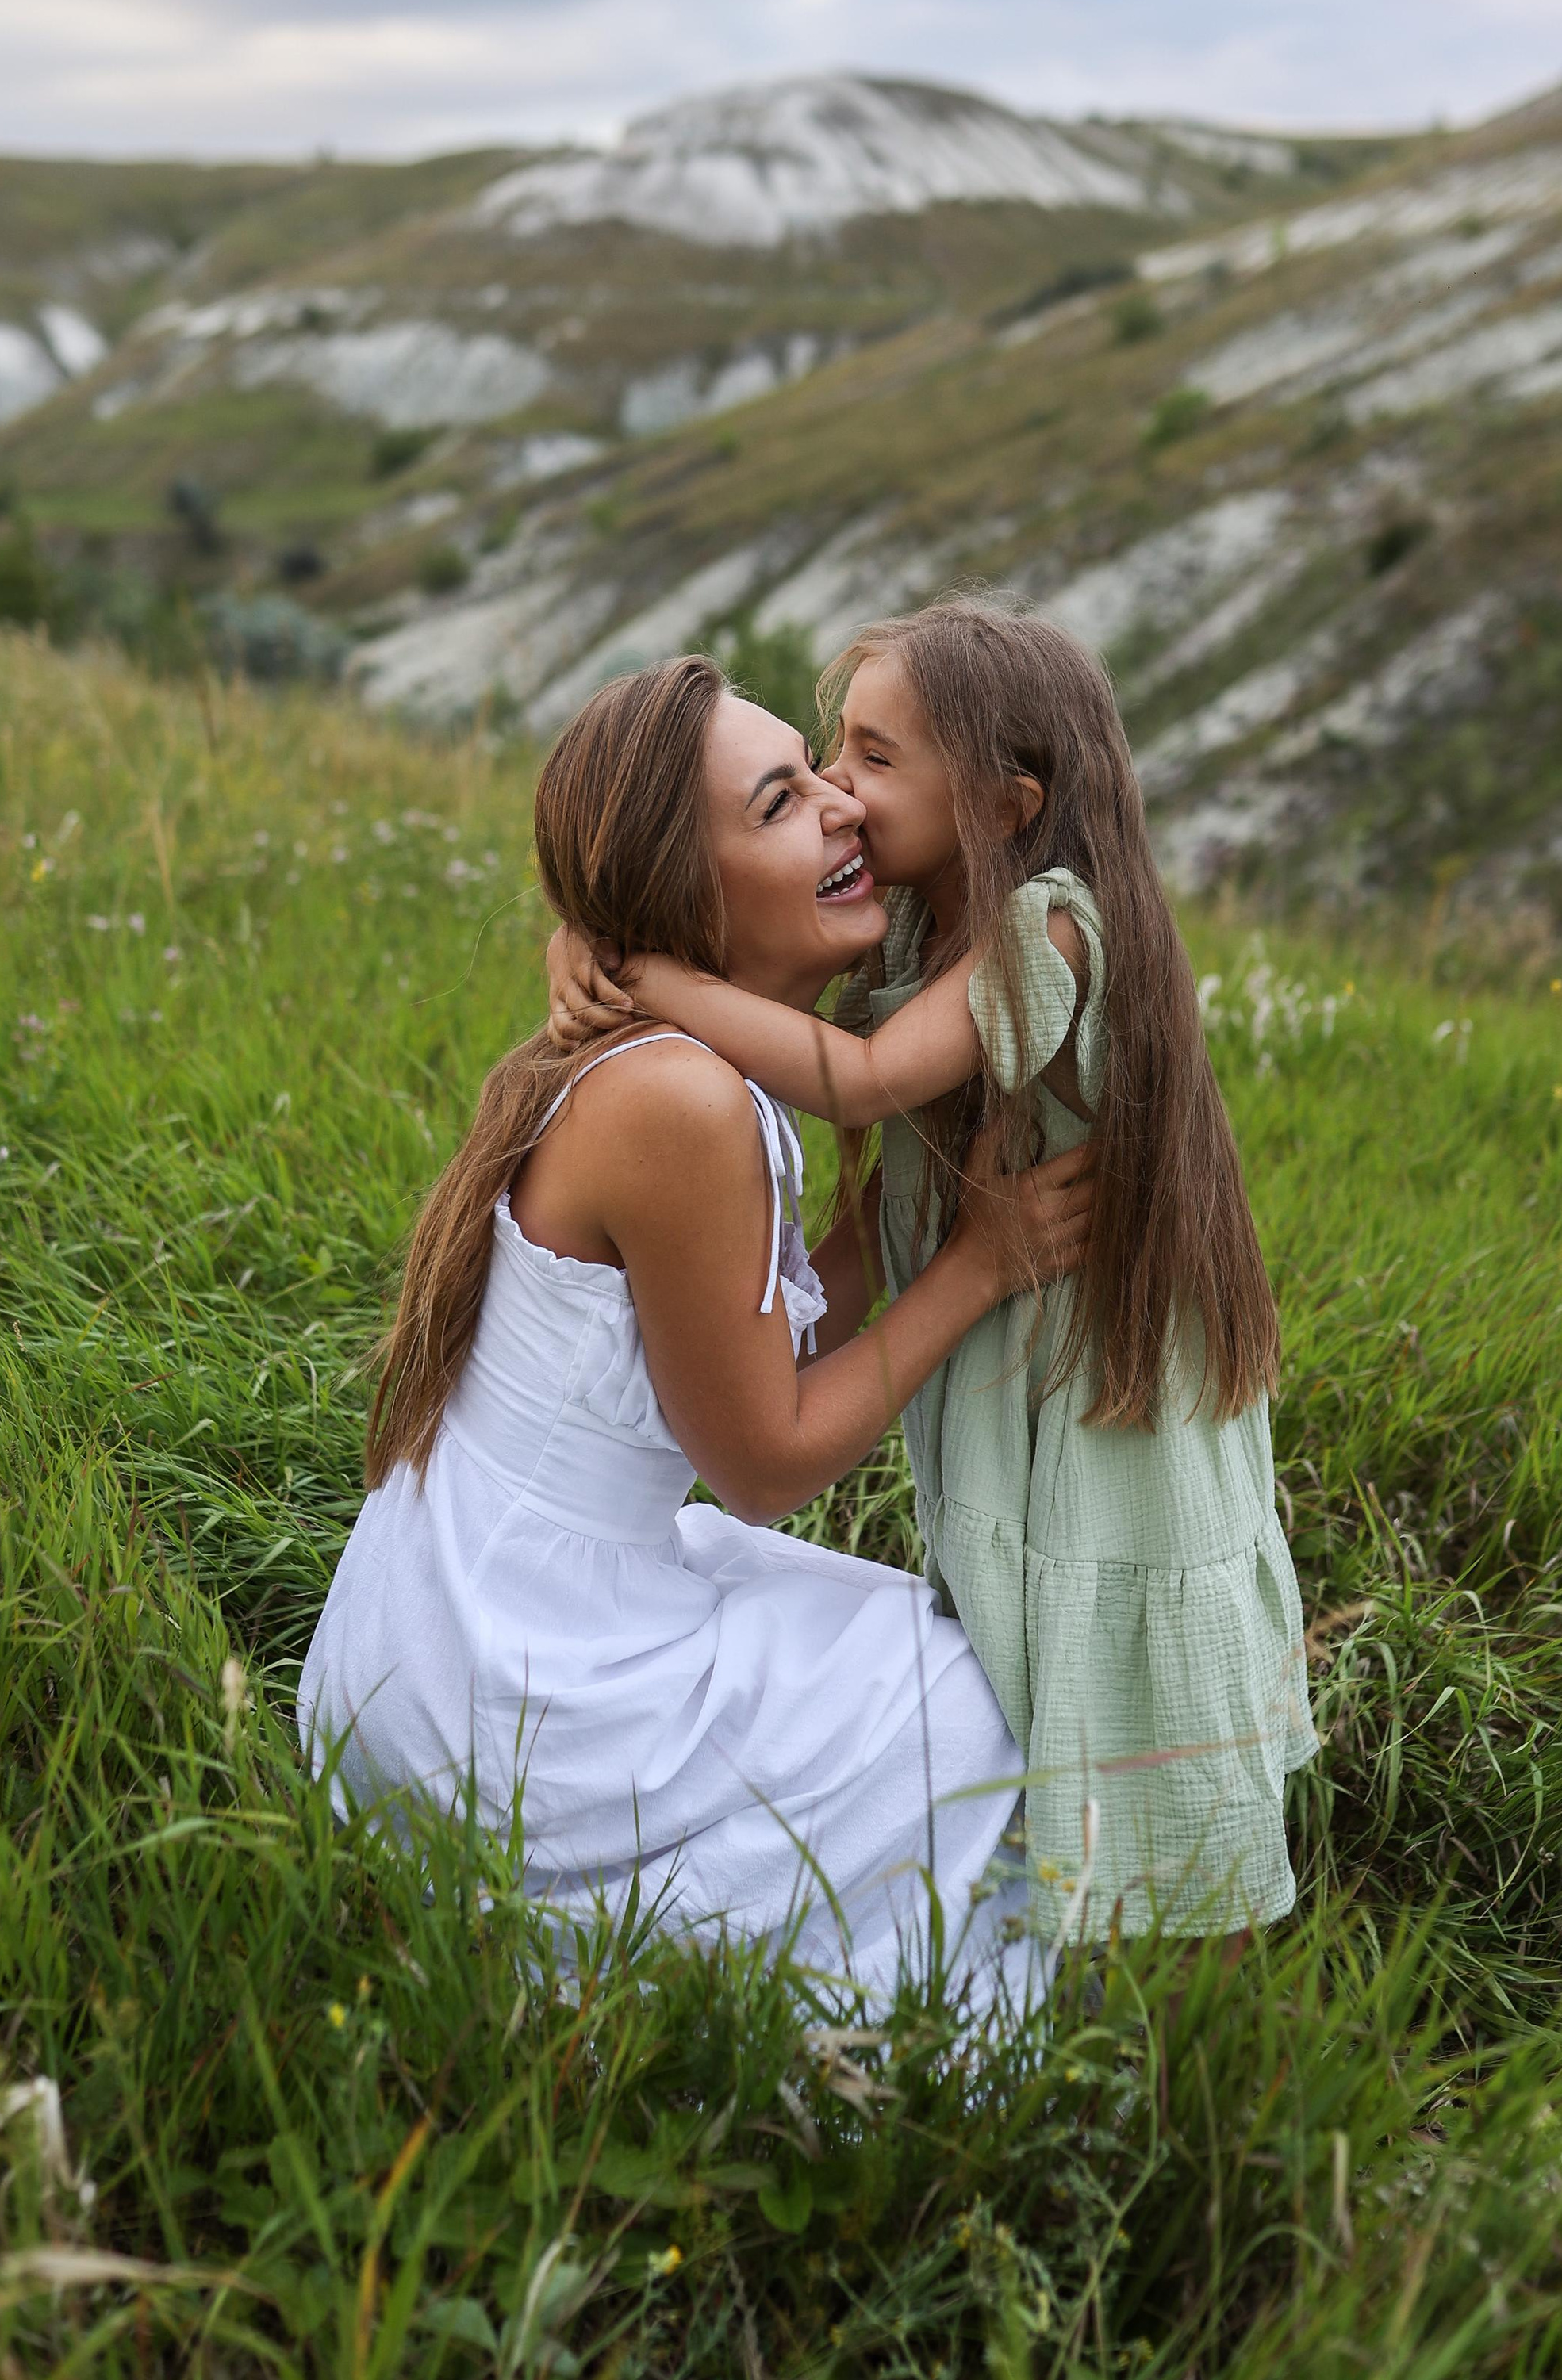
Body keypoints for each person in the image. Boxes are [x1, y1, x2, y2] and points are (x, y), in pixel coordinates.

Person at [299, 653, 1096, 2003]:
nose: (845, 805)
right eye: (784, 802)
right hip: (505, 1688)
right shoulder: (682, 1101)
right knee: (970, 1699)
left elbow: (757, 1323)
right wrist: (981, 1262)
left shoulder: (698, 1073)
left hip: (474, 1616)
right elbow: (765, 1460)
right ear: (690, 891)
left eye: (827, 769)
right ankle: (857, 2023)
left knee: (940, 1639)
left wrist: (914, 1189)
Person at [549, 596, 1314, 1943]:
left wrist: (651, 976)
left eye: (875, 760)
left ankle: (1195, 1954)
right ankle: (1038, 1902)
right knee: (1022, 1629)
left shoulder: (1056, 928)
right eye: (837, 751)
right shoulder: (925, 915)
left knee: (1125, 1640)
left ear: (1008, 805)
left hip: (1096, 1370)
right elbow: (775, 986)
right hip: (1011, 1337)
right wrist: (598, 928)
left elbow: (854, 1077)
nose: (840, 792)